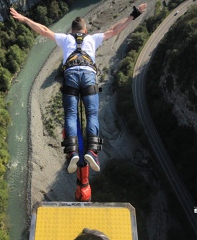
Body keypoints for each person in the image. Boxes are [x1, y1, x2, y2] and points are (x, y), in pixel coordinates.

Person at [10, 3, 147, 174]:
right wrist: (134, 14)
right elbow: (114, 30)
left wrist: (24, 19)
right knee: (91, 114)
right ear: (85, 30)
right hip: (88, 76)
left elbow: (44, 30)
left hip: (71, 76)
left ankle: (73, 152)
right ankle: (92, 151)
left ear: (71, 31)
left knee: (71, 115)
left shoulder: (65, 39)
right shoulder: (92, 39)